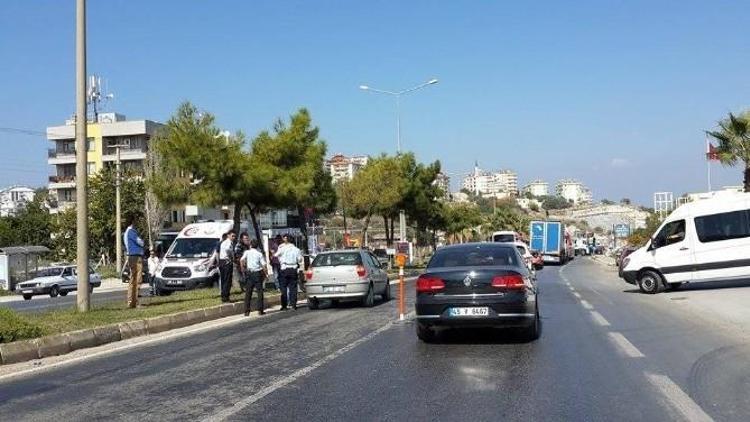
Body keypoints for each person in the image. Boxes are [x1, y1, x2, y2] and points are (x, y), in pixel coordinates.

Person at [274, 234, 303, 310]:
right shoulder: (296, 249)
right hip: (293, 268)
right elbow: (300, 259)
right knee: (293, 288)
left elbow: (275, 255)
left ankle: (284, 305)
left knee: (283, 287)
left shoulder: (282, 248)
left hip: (284, 268)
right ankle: (293, 305)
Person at [240, 238, 267, 316]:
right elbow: (264, 265)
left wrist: (243, 269)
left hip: (249, 273)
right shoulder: (259, 254)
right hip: (257, 273)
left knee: (248, 292)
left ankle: (246, 311)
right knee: (260, 292)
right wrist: (266, 274)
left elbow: (241, 260)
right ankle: (260, 310)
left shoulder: (247, 252)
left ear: (250, 245)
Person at [123, 216, 145, 308]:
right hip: (135, 257)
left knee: (133, 280)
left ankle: (131, 301)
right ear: (132, 221)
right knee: (137, 280)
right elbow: (140, 242)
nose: (137, 222)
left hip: (132, 257)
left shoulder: (128, 232)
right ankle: (135, 302)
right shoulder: (131, 232)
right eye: (136, 220)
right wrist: (143, 242)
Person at [218, 230, 236, 303]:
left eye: (234, 236)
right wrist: (231, 257)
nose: (233, 237)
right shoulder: (228, 242)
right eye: (232, 236)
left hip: (222, 262)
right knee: (227, 280)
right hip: (226, 262)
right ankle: (225, 297)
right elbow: (228, 250)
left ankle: (224, 296)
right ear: (228, 235)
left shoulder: (224, 242)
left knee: (224, 280)